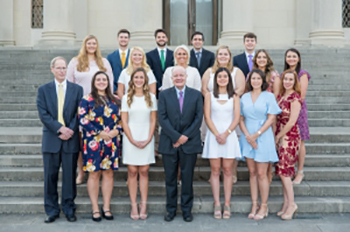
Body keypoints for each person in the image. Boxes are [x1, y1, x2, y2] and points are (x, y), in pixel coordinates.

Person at [37, 56, 83, 223]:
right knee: (50, 177)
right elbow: (43, 114)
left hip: (70, 139)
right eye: (59, 68)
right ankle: (51, 210)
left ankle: (69, 208)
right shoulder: (43, 90)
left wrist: (69, 129)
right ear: (52, 70)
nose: (62, 71)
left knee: (70, 177)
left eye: (64, 68)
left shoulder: (77, 90)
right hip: (51, 139)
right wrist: (59, 128)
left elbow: (79, 113)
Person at [66, 35, 114, 185]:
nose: (92, 46)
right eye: (89, 43)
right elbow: (69, 84)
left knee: (101, 137)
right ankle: (81, 172)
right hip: (81, 104)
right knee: (82, 139)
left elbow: (110, 83)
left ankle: (100, 168)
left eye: (94, 43)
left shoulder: (104, 62)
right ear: (84, 45)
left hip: (101, 106)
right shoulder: (75, 62)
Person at [158, 66, 203, 222]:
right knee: (170, 178)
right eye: (175, 75)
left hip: (189, 143)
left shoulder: (196, 95)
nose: (178, 78)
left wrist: (184, 137)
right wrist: (176, 137)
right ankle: (170, 209)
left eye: (181, 75)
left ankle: (186, 210)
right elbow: (162, 119)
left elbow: (198, 118)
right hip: (169, 142)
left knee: (187, 177)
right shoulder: (164, 95)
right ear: (171, 78)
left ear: (186, 76)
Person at [78, 71, 122, 222]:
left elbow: (123, 119)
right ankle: (95, 208)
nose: (102, 82)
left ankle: (106, 207)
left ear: (108, 82)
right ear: (94, 82)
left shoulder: (115, 99)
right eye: (99, 79)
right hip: (93, 142)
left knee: (109, 173)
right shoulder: (87, 99)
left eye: (104, 79)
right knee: (94, 173)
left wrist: (118, 130)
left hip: (111, 143)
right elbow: (83, 120)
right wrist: (99, 132)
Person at [239, 69, 281, 220]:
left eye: (258, 78)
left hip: (263, 135)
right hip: (247, 135)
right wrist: (248, 136)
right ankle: (254, 203)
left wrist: (256, 135)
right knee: (252, 173)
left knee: (262, 174)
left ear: (263, 81)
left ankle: (264, 205)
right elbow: (240, 118)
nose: (255, 81)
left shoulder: (269, 96)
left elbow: (271, 118)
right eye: (252, 78)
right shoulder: (243, 97)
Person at [202, 45, 245, 184]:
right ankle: (213, 173)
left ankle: (232, 172)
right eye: (220, 54)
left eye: (226, 54)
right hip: (213, 110)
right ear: (216, 56)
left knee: (231, 144)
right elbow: (203, 88)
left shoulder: (236, 71)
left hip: (229, 112)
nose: (223, 57)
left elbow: (240, 88)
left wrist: (229, 100)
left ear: (230, 56)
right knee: (213, 144)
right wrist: (212, 98)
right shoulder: (209, 71)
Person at [202, 67, 241, 219]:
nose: (223, 79)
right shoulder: (209, 96)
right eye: (220, 76)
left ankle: (227, 203)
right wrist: (218, 134)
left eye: (225, 76)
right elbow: (207, 117)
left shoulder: (235, 96)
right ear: (215, 79)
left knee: (228, 170)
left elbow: (236, 118)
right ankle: (217, 202)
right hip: (214, 136)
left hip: (229, 136)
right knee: (215, 170)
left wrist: (226, 133)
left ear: (229, 79)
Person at [121, 68, 157, 220]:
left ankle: (144, 204)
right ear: (132, 80)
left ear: (145, 80)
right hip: (131, 137)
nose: (139, 80)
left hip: (146, 135)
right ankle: (134, 204)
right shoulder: (126, 98)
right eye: (136, 77)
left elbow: (153, 119)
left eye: (141, 77)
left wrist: (149, 138)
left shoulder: (152, 97)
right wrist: (131, 139)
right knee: (132, 171)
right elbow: (124, 120)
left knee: (144, 171)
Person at [275, 69, 302, 220]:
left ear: (295, 81)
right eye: (285, 79)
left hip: (289, 137)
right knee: (282, 171)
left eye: (290, 80)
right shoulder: (281, 96)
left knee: (285, 171)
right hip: (280, 135)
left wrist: (279, 136)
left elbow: (292, 121)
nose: (287, 82)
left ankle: (292, 204)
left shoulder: (295, 98)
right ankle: (286, 204)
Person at [252, 49, 281, 183]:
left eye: (264, 57)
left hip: (269, 112)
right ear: (256, 59)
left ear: (267, 59)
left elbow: (276, 94)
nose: (262, 59)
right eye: (259, 57)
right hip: (255, 113)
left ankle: (269, 171)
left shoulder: (274, 75)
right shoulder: (251, 74)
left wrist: (265, 106)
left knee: (269, 142)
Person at [283, 48, 311, 185]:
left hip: (297, 109)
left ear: (298, 58)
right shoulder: (285, 74)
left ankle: (300, 171)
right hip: (285, 110)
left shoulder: (302, 74)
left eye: (294, 56)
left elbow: (302, 95)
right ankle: (290, 169)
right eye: (289, 56)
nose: (291, 59)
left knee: (300, 141)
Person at [146, 29, 174, 97]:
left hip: (170, 88)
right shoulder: (149, 55)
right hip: (154, 89)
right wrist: (159, 86)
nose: (161, 39)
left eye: (163, 37)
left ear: (167, 39)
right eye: (159, 37)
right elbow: (149, 72)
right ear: (155, 39)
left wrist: (166, 85)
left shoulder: (173, 54)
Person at [107, 29, 131, 93]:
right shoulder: (110, 57)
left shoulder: (134, 55)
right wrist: (115, 89)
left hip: (131, 90)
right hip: (115, 91)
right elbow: (108, 75)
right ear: (117, 38)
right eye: (121, 37)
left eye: (126, 37)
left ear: (129, 39)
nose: (123, 39)